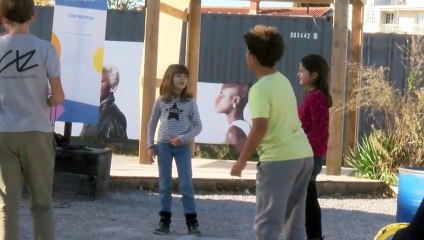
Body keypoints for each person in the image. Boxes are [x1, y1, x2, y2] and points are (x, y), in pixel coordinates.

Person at [230, 25, 314, 240]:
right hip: (303, 156)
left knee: (267, 224)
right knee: (294, 225)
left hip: (279, 160)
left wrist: (240, 161)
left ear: (254, 56)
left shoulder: (259, 89)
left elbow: (260, 128)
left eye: (247, 52)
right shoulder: (283, 80)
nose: (246, 56)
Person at [0, 0, 65, 238]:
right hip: (37, 131)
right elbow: (58, 97)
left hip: (4, 133)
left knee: (7, 206)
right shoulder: (46, 49)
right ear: (33, 16)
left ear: (2, 18)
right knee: (42, 204)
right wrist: (44, 102)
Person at [147, 64, 202, 236]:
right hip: (163, 147)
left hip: (183, 148)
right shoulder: (161, 101)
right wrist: (150, 145)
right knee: (165, 185)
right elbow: (152, 124)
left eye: (185, 76)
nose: (182, 79)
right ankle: (164, 221)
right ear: (169, 78)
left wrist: (183, 138)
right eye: (178, 76)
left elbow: (198, 126)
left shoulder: (190, 102)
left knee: (186, 184)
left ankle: (192, 222)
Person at [297, 54, 332, 240]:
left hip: (310, 156)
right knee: (306, 197)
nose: (298, 74)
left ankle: (314, 236)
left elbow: (319, 131)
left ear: (315, 75)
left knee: (308, 197)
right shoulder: (310, 95)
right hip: (305, 153)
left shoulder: (317, 97)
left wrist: (302, 148)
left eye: (302, 70)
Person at [80, 65, 128, 141]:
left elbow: (115, 150)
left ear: (112, 87)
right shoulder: (93, 114)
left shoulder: (112, 118)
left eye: (101, 82)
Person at [215, 83, 251, 152]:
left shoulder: (233, 131)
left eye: (221, 94)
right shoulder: (244, 126)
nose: (216, 98)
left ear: (235, 100)